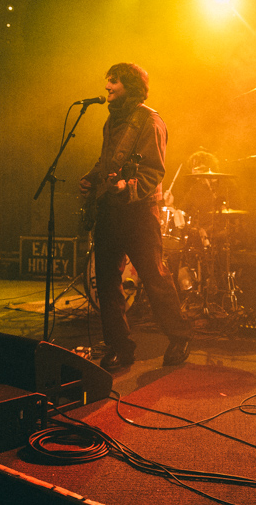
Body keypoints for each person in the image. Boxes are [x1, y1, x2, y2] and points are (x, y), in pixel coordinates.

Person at [80, 63, 191, 372]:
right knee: (106, 280)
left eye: (113, 81)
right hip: (110, 210)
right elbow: (107, 161)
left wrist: (126, 187)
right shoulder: (112, 120)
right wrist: (92, 177)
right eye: (108, 81)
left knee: (154, 276)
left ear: (129, 86)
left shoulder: (150, 121)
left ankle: (180, 337)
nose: (107, 87)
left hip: (139, 211)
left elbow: (154, 170)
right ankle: (119, 346)